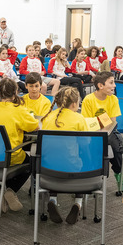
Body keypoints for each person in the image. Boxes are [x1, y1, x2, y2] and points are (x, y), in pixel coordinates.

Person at [0, 78, 39, 212]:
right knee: (30, 162)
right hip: (10, 157)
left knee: (18, 158)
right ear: (15, 92)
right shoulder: (18, 110)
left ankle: (6, 191)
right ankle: (11, 190)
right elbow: (34, 126)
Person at [40, 86, 87, 224]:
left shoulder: (48, 117)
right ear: (74, 104)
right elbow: (85, 143)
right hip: (73, 168)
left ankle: (52, 199)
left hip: (48, 168)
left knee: (56, 156)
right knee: (81, 159)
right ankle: (78, 203)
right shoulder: (79, 118)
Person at [81, 71, 123, 192]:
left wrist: (98, 122)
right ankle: (94, 175)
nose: (114, 85)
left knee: (116, 147)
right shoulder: (88, 99)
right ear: (101, 86)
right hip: (92, 133)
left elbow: (112, 122)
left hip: (109, 131)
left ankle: (118, 173)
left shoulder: (113, 99)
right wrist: (101, 121)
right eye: (111, 83)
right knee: (96, 147)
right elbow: (87, 123)